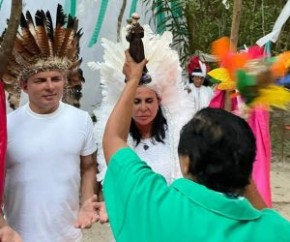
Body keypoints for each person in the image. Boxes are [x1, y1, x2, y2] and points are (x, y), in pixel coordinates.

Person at [102, 51, 290, 242]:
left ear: (185, 161)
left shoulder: (152, 204)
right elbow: (270, 222)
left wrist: (133, 79)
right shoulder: (275, 231)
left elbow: (113, 138)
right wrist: (242, 173)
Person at [0, 5, 106, 242]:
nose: (50, 86)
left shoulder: (81, 120)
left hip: (69, 235)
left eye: (56, 79)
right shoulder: (8, 126)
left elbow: (88, 166)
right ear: (25, 86)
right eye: (40, 80)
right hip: (19, 236)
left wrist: (88, 201)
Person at [91, 21, 195, 185]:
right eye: (136, 101)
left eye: (149, 101)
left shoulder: (176, 134)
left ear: (159, 101)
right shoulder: (119, 139)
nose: (143, 108)